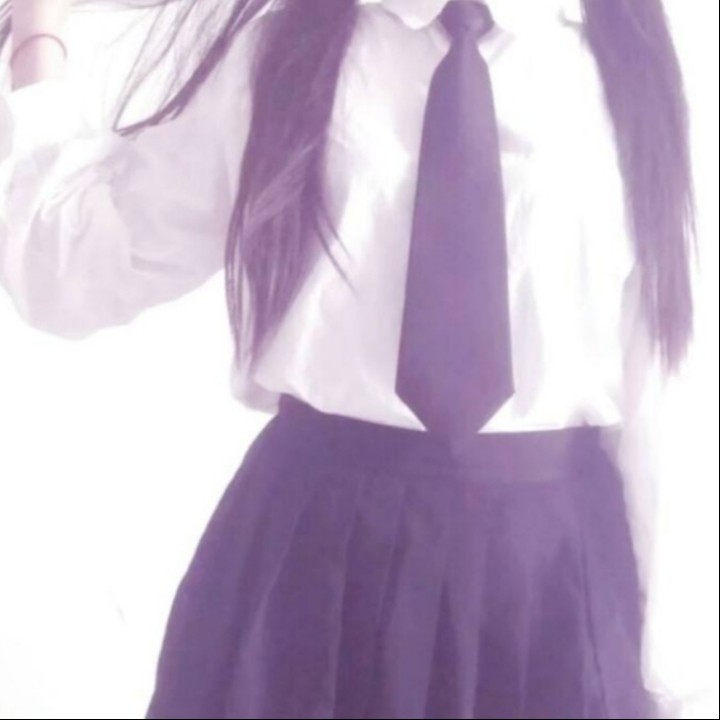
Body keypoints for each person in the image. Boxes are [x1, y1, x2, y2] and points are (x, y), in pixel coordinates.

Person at [0, 0, 697, 718]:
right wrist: (36, 33)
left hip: (550, 588)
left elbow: (675, 392)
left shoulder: (631, 64)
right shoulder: (286, 48)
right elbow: (75, 268)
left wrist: (679, 667)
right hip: (309, 570)